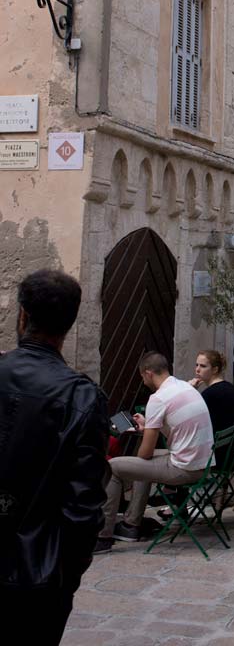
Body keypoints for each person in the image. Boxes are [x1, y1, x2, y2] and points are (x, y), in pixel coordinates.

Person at [0, 269, 109, 645]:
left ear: (23, 317)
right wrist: (67, 573)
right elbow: (84, 505)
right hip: (40, 575)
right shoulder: (81, 397)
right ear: (69, 325)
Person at [95, 351, 213, 551]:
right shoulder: (185, 386)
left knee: (113, 466)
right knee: (138, 465)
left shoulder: (158, 399)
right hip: (203, 463)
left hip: (184, 467)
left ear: (148, 373)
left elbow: (145, 454)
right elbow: (177, 430)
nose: (143, 381)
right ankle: (131, 525)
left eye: (142, 376)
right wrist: (150, 425)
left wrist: (149, 429)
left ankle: (103, 536)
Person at [189, 349, 234, 462]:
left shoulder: (210, 394)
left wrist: (189, 390)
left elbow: (192, 421)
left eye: (203, 366)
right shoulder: (231, 388)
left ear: (215, 369)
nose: (197, 370)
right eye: (196, 365)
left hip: (219, 456)